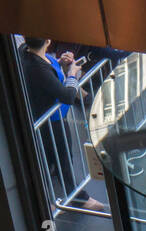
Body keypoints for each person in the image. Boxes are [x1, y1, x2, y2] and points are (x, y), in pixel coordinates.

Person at [18, 36, 105, 212]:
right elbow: (67, 95)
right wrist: (72, 74)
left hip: (48, 119)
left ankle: (46, 196)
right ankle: (77, 199)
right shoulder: (37, 67)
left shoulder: (27, 54)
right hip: (52, 122)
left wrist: (61, 63)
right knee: (63, 160)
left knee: (50, 161)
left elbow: (49, 71)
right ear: (48, 41)